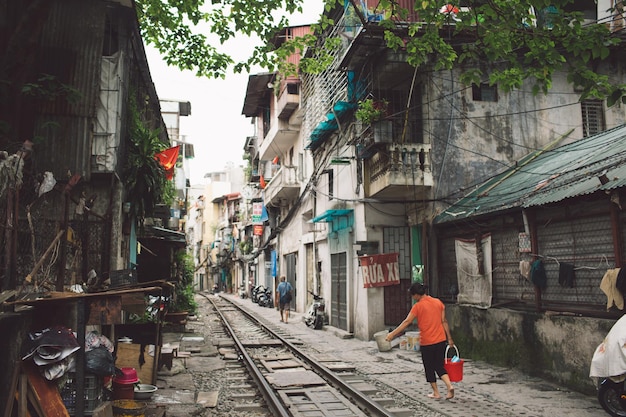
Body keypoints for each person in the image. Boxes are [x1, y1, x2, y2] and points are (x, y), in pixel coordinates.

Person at [386, 282, 455, 400]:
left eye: (412, 296)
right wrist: (449, 339)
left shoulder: (417, 307)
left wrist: (392, 334)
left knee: (429, 367)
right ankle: (449, 386)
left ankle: (436, 392)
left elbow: (407, 322)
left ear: (416, 295)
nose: (413, 298)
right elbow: (444, 321)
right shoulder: (438, 302)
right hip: (440, 340)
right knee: (439, 366)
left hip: (427, 342)